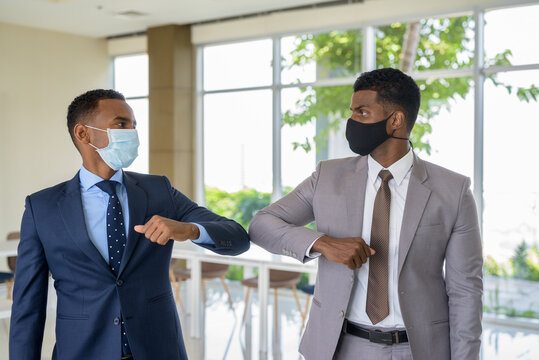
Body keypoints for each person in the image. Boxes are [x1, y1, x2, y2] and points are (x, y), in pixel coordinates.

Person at [249, 68, 482, 360]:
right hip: (341, 347)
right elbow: (261, 225)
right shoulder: (327, 177)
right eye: (352, 112)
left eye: (362, 112)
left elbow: (466, 291)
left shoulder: (453, 190)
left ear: (395, 120)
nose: (351, 122)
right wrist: (322, 242)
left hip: (420, 350)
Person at [9, 89, 250, 360]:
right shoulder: (42, 208)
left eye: (134, 125)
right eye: (121, 124)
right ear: (83, 133)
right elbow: (27, 307)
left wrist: (190, 230)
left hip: (159, 351)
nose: (132, 133)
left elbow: (238, 237)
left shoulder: (159, 190)